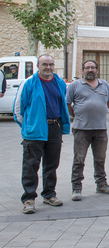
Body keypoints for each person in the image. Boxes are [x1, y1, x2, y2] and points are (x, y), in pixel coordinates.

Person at [14, 55, 70, 214]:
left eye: (51, 64)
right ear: (38, 65)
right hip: (35, 130)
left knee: (51, 164)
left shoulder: (59, 82)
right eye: (44, 64)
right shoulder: (29, 83)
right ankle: (29, 199)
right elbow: (18, 109)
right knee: (31, 165)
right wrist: (28, 126)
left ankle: (49, 194)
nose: (48, 67)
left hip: (54, 128)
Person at [66, 59, 109, 201]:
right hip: (81, 129)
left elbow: (108, 103)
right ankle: (76, 187)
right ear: (82, 70)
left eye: (93, 67)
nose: (90, 70)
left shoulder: (104, 85)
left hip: (100, 129)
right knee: (79, 160)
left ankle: (101, 184)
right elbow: (68, 103)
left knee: (100, 159)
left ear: (97, 70)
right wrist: (76, 115)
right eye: (87, 67)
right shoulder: (75, 85)